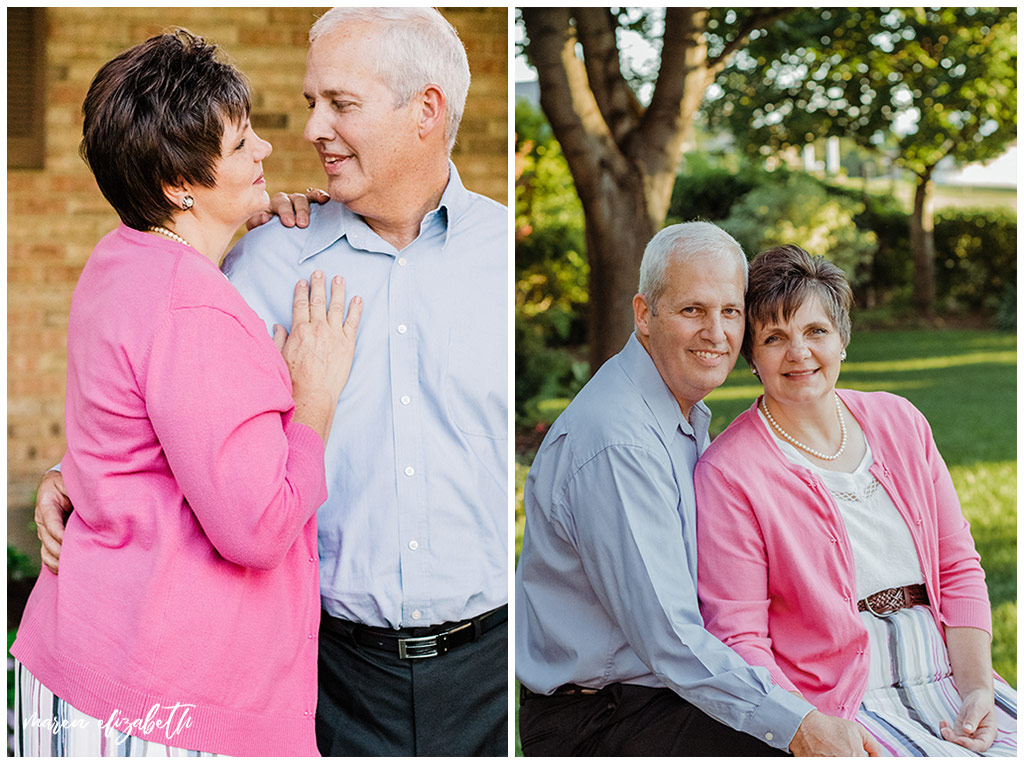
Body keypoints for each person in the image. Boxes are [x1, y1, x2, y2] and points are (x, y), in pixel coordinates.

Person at [34, 7, 508, 757]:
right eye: (311, 100)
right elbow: (169, 396)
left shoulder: (503, 260)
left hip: (488, 667)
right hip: (328, 670)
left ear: (427, 110)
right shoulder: (260, 263)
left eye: (340, 104)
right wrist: (75, 472)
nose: (309, 129)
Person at [12, 31, 362, 757]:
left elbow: (129, 432)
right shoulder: (195, 309)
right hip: (165, 705)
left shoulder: (120, 256)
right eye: (241, 146)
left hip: (81, 662)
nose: (266, 149)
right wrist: (315, 398)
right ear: (180, 185)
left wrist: (237, 215)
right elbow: (259, 528)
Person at [515, 222, 879, 756]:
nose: (717, 332)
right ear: (644, 314)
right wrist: (800, 724)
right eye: (693, 311)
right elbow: (671, 639)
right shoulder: (622, 442)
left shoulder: (673, 413)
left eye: (730, 312)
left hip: (655, 694)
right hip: (603, 719)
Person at [694, 244, 1017, 756]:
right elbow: (740, 637)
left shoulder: (901, 422)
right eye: (775, 338)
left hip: (951, 680)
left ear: (842, 338)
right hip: (843, 706)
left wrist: (978, 687)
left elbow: (957, 569)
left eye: (815, 331)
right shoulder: (729, 474)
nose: (799, 352)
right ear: (752, 358)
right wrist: (809, 726)